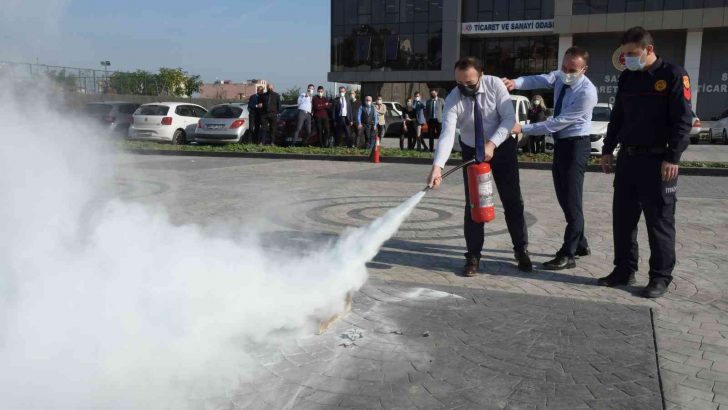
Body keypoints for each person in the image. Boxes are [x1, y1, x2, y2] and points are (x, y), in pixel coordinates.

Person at [598, 27, 692, 298]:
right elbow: (618, 117)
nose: (627, 58)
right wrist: (607, 149)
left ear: (648, 49)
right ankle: (623, 269)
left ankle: (660, 277)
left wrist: (672, 157)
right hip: (628, 158)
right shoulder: (628, 78)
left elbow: (683, 120)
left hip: (659, 161)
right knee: (623, 219)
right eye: (625, 54)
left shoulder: (673, 75)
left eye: (632, 53)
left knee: (659, 221)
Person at [427, 57, 532, 277]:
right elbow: (447, 134)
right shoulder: (454, 97)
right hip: (471, 148)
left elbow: (508, 119)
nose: (465, 88)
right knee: (474, 203)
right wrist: (438, 167)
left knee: (512, 199)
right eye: (460, 84)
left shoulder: (495, 85)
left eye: (470, 84)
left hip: (501, 145)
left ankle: (521, 249)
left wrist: (492, 144)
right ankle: (473, 255)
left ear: (481, 75)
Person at [503, 46, 598, 271]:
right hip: (562, 145)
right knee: (564, 197)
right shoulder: (559, 76)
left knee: (572, 201)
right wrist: (514, 83)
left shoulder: (587, 93)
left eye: (572, 69)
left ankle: (568, 254)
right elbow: (538, 79)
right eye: (564, 67)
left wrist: (524, 128)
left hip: (576, 146)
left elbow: (558, 122)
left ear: (584, 69)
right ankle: (581, 243)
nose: (566, 72)